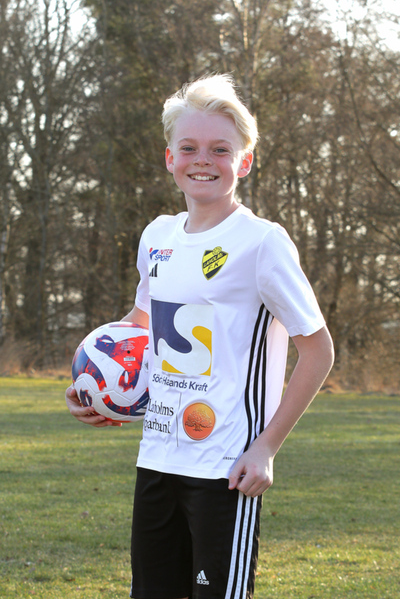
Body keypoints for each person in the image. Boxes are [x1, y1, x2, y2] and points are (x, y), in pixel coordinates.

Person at [66, 73, 334, 599]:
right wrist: (94, 385)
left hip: (226, 468)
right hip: (157, 459)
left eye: (220, 149)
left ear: (244, 162)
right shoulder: (157, 236)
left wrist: (265, 448)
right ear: (170, 158)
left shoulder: (262, 243)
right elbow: (140, 326)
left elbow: (318, 351)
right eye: (188, 148)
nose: (203, 160)